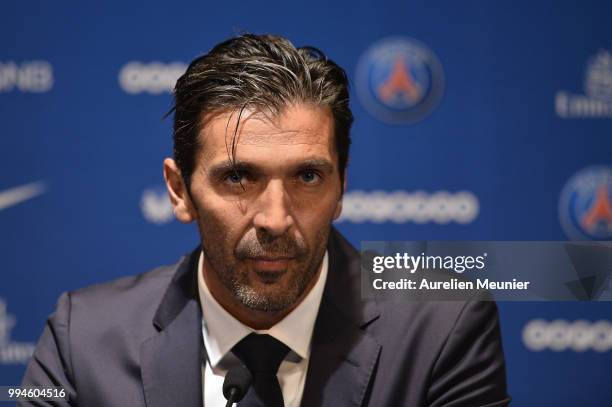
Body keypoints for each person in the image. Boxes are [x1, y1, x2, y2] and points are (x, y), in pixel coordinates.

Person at [21, 34, 510, 406]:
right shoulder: (80, 339)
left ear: (341, 187)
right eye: (238, 177)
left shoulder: (444, 325)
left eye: (308, 177)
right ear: (179, 190)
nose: (275, 219)